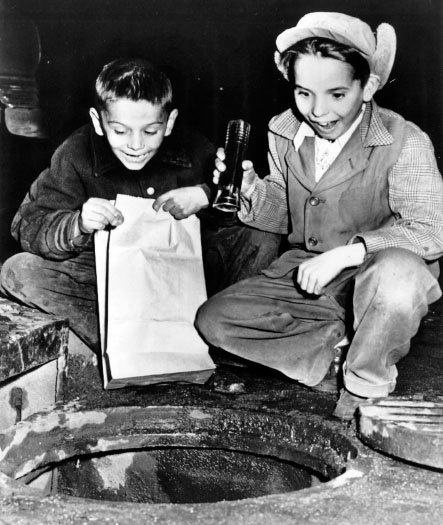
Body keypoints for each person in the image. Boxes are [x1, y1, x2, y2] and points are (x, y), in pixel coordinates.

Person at [195, 12, 443, 420]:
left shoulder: (405, 139)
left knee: (399, 276)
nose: (318, 111)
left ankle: (366, 382)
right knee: (214, 322)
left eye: (337, 94)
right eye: (303, 93)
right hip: (307, 273)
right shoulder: (285, 130)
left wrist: (351, 253)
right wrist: (249, 187)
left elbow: (431, 228)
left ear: (368, 87)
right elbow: (284, 215)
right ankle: (337, 351)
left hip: (376, 274)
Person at [0, 58, 280, 355]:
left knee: (260, 237)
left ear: (169, 122)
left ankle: (215, 337)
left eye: (150, 131)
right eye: (120, 131)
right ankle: (132, 345)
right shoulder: (76, 153)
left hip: (187, 281)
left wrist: (206, 195)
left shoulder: (194, 148)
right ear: (98, 121)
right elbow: (28, 223)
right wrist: (77, 224)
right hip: (113, 286)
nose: (136, 144)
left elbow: (234, 214)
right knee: (19, 270)